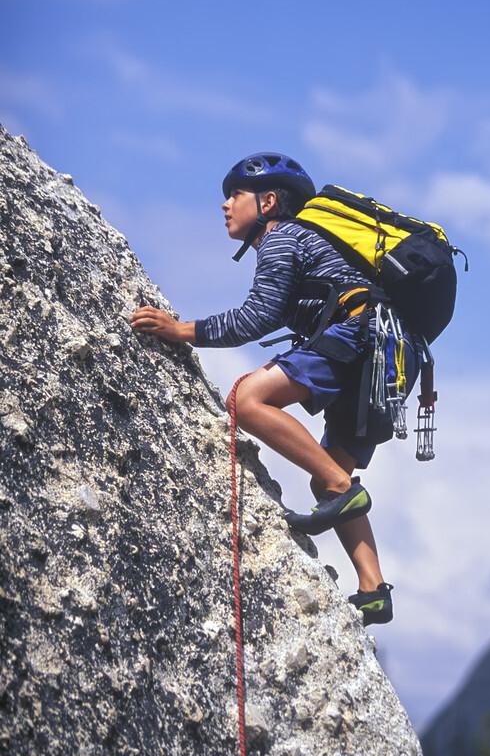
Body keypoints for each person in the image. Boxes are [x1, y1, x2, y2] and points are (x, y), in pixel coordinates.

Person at [130, 152, 420, 626]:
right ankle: (373, 590)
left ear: (267, 201)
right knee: (325, 476)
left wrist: (182, 329)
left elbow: (257, 317)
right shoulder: (300, 243)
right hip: (389, 357)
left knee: (246, 399)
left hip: (357, 336)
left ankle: (346, 491)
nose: (225, 205)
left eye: (235, 195)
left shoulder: (282, 238)